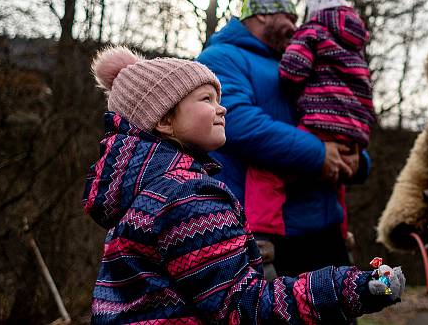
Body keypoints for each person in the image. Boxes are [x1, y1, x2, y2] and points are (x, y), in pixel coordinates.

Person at [83, 46, 403, 324]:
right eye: (206, 99)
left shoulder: (140, 192)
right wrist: (353, 287)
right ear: (164, 120)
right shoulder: (186, 197)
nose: (222, 108)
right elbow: (242, 307)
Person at [197, 0, 368, 277]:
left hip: (328, 231)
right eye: (288, 16)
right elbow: (239, 123)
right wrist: (319, 153)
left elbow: (337, 112)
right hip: (271, 238)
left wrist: (357, 159)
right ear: (262, 15)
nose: (295, 25)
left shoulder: (302, 57)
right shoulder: (220, 58)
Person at [279, 0, 375, 240]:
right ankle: (342, 234)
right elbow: (365, 90)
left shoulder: (312, 31)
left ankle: (263, 233)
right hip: (354, 130)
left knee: (270, 171)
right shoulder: (357, 43)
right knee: (336, 178)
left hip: (321, 121)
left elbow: (292, 71)